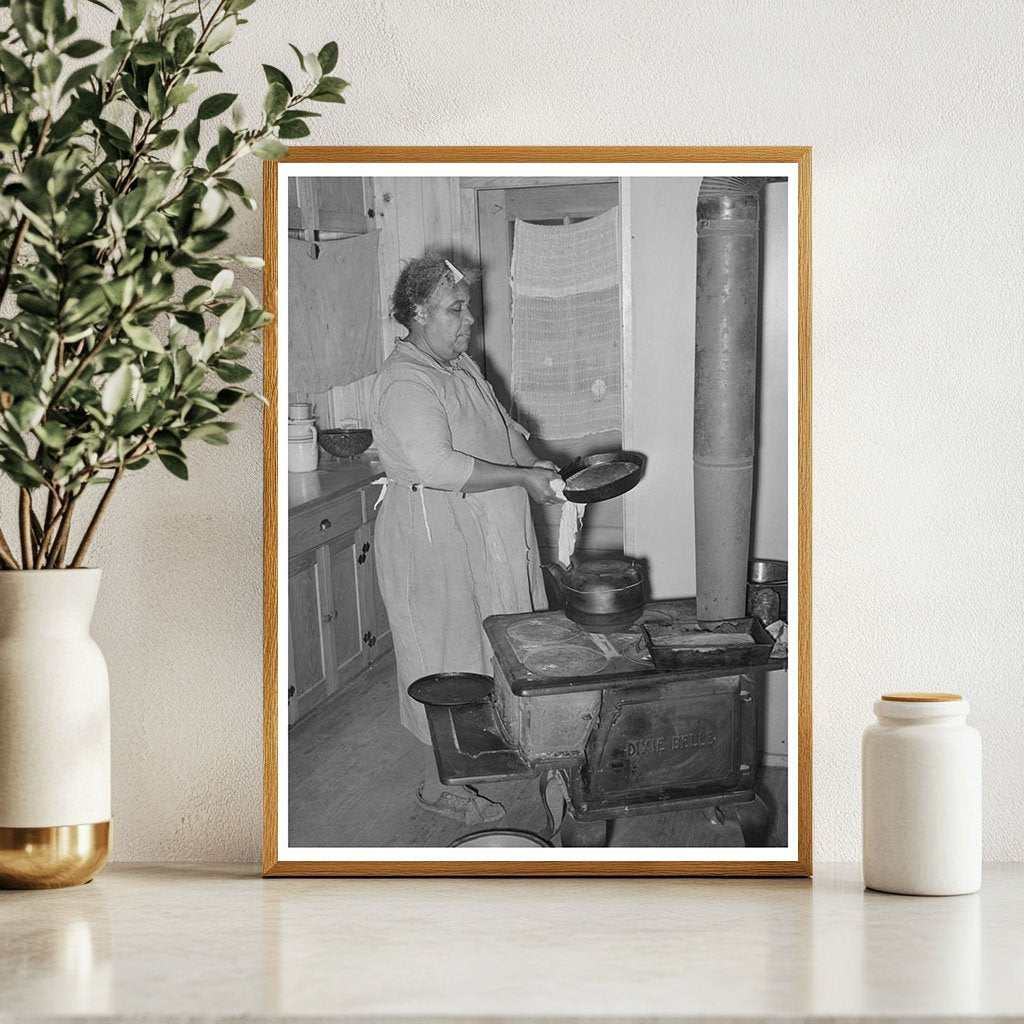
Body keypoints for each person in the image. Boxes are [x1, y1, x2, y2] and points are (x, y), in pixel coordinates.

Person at [370, 251, 562, 826]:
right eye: (456, 310)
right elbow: (439, 466)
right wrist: (521, 479)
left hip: (485, 529)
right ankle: (439, 783)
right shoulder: (405, 380)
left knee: (502, 639)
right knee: (446, 654)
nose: (469, 320)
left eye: (467, 309)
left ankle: (509, 746)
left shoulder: (459, 366)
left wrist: (541, 470)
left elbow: (505, 431)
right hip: (433, 536)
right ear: (419, 313)